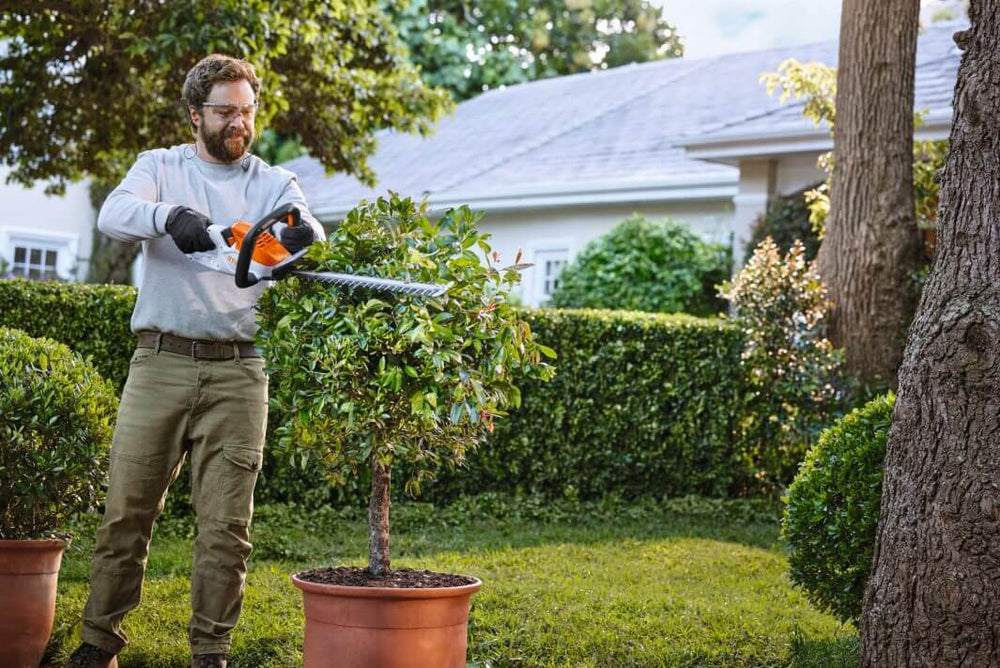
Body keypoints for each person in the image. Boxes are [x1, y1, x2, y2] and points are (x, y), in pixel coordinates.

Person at [68, 54, 324, 668]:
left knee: (226, 529)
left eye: (247, 111)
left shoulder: (274, 182)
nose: (239, 122)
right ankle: (98, 643)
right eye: (225, 111)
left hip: (240, 370)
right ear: (195, 115)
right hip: (159, 363)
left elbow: (307, 227)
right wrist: (170, 216)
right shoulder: (160, 168)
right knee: (126, 511)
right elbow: (113, 213)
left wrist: (291, 238)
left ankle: (211, 651)